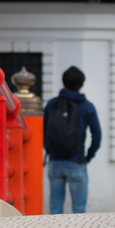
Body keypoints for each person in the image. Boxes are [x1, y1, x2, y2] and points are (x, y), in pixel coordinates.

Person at [43, 66, 101, 215]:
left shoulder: (51, 104)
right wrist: (88, 157)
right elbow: (97, 136)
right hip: (77, 163)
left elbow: (43, 131)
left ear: (63, 83)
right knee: (79, 210)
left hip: (54, 162)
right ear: (81, 84)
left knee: (55, 210)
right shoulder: (87, 107)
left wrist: (49, 150)